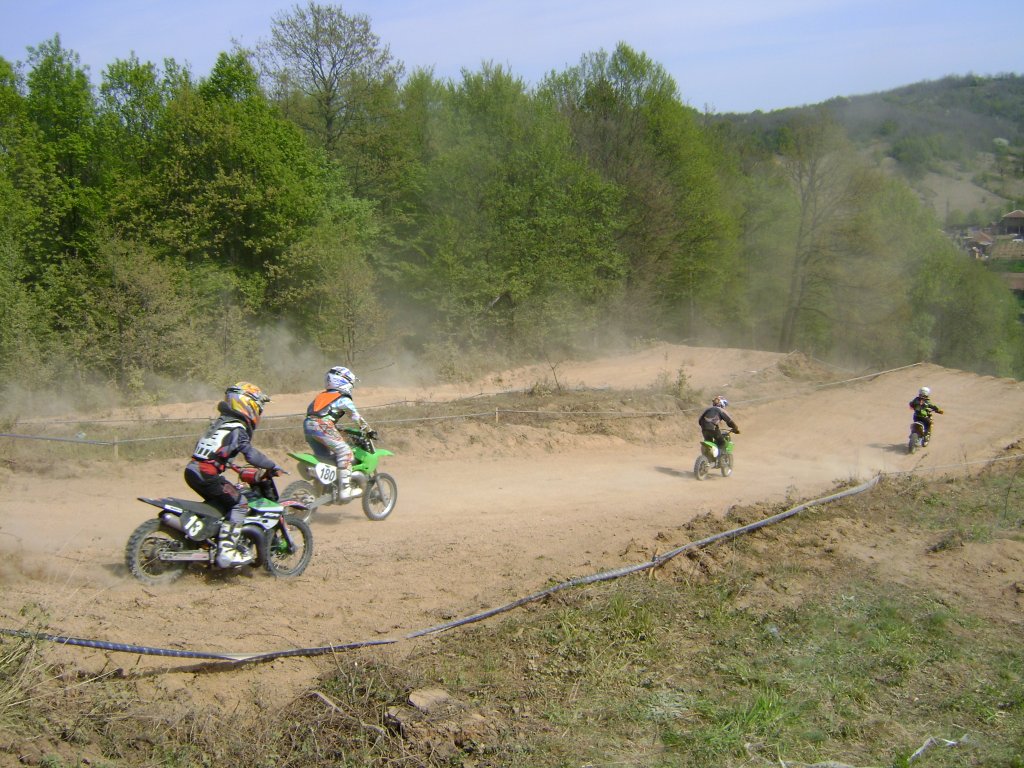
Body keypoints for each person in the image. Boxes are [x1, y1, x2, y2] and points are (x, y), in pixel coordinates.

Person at [184, 382, 282, 568]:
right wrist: (272, 465)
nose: (259, 412)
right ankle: (227, 552)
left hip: (193, 470)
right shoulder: (238, 427)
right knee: (240, 504)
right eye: (258, 407)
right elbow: (250, 454)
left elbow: (216, 452)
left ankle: (207, 540)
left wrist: (233, 467)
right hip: (207, 474)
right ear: (247, 404)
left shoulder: (220, 423)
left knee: (220, 505)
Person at [303, 365, 373, 500]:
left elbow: (320, 414)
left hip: (308, 426)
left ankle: (322, 490)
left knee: (325, 460)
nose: (352, 387)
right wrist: (368, 430)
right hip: (322, 426)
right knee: (346, 453)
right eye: (351, 383)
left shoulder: (321, 396)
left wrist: (337, 428)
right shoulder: (343, 398)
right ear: (343, 380)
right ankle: (345, 489)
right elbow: (355, 417)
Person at [698, 395, 740, 462]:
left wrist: (705, 426)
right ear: (722, 404)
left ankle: (709, 459)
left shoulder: (708, 409)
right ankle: (720, 460)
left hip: (704, 429)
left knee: (709, 442)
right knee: (722, 443)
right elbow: (729, 421)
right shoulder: (721, 410)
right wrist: (735, 428)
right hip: (713, 428)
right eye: (725, 404)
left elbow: (700, 420)